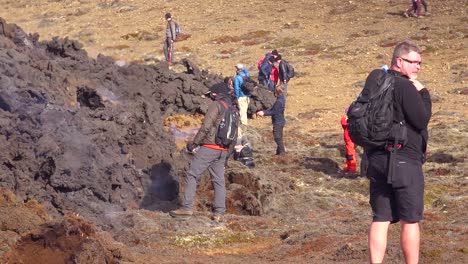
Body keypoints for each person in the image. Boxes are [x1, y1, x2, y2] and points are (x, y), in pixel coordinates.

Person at [367, 40, 432, 264]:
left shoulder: (376, 84)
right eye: (414, 62)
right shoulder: (405, 86)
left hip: (376, 160)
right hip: (404, 160)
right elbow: (421, 119)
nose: (418, 67)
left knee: (381, 218)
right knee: (410, 220)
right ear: (399, 61)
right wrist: (422, 91)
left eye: (420, 63)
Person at [169, 82, 238, 222]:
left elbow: (206, 127)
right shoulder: (233, 108)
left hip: (210, 147)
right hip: (223, 150)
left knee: (192, 175)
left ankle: (186, 208)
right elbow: (235, 135)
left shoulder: (216, 105)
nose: (209, 98)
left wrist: (194, 143)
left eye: (210, 95)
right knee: (218, 181)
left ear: (214, 94)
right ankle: (219, 212)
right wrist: (227, 154)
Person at [256, 86, 286, 155]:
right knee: (279, 137)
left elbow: (273, 111)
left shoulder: (278, 102)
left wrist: (263, 113)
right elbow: (273, 109)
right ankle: (279, 152)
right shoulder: (281, 99)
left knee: (277, 137)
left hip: (278, 122)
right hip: (280, 121)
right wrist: (264, 111)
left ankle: (282, 152)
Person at [340, 108, 357, 173]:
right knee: (348, 154)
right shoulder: (346, 119)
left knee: (351, 154)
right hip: (347, 140)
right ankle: (347, 166)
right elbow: (343, 123)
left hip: (350, 140)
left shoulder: (353, 121)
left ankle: (352, 168)